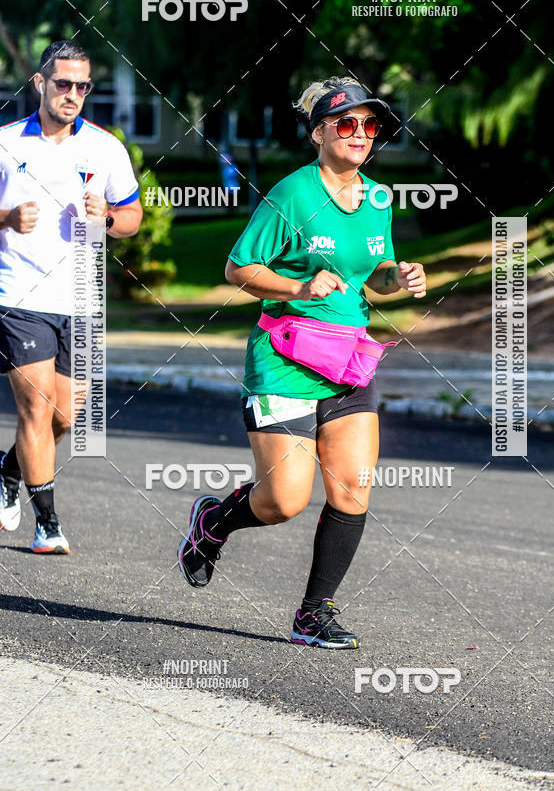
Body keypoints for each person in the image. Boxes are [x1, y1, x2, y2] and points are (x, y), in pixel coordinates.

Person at [178, 76, 426, 649]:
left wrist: (401, 277)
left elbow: (378, 275)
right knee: (283, 501)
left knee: (352, 487)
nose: (361, 134)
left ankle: (313, 613)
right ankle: (212, 524)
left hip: (347, 361)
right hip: (286, 358)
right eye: (347, 123)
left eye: (371, 125)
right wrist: (299, 284)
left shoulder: (380, 199)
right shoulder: (292, 195)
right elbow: (239, 270)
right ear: (318, 132)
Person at [0, 40, 143, 552]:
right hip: (20, 295)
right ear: (39, 83)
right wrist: (7, 218)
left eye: (84, 86)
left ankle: (8, 470)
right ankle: (48, 522)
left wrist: (106, 216)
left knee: (67, 417)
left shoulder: (105, 147)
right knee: (36, 410)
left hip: (81, 297)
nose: (74, 94)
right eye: (64, 84)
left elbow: (131, 217)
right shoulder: (7, 142)